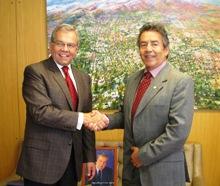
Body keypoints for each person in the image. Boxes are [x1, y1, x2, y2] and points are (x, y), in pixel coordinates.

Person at [87, 22, 195, 186]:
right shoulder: (132, 80)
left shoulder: (180, 81)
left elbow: (177, 132)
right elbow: (128, 116)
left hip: (162, 173)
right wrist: (105, 120)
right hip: (133, 173)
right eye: (143, 45)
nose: (148, 49)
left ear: (166, 49)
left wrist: (142, 155)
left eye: (154, 44)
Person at [16, 24, 101, 186]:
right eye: (60, 43)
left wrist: (89, 157)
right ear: (51, 45)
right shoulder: (35, 72)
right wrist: (83, 118)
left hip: (72, 163)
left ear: (76, 49)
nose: (65, 49)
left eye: (70, 45)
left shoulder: (83, 78)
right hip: (41, 165)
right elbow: (41, 112)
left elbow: (87, 125)